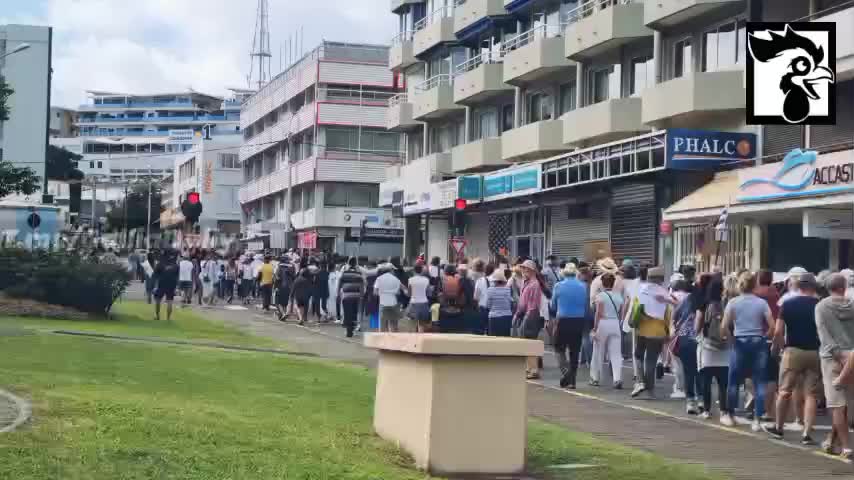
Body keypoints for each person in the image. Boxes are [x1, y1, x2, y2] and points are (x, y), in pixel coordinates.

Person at [762, 273, 821, 445]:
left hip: (792, 350)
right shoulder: (819, 305)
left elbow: (778, 331)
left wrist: (780, 348)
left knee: (785, 391)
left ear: (798, 286)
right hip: (814, 352)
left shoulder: (787, 304)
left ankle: (779, 428)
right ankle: (806, 433)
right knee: (811, 395)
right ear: (813, 287)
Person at [720, 271, 775, 432]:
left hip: (740, 341)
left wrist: (730, 339)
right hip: (758, 341)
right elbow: (772, 325)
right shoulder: (761, 303)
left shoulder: (733, 303)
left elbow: (723, 327)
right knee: (760, 382)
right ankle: (757, 419)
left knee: (733, 381)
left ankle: (730, 414)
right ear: (754, 285)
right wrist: (765, 338)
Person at [816, 273, 854, 459]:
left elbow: (824, 334)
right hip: (853, 357)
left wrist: (839, 355)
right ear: (844, 286)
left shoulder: (821, 306)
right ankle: (832, 439)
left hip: (831, 359)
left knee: (836, 404)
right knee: (848, 402)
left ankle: (846, 447)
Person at [629, 266, 671, 399]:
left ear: (648, 277)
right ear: (661, 279)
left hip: (642, 329)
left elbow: (635, 309)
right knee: (651, 360)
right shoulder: (665, 293)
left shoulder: (641, 291)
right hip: (658, 332)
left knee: (638, 355)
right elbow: (668, 314)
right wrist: (668, 332)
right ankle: (650, 391)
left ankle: (640, 381)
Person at [695, 275, 731, 423]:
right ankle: (724, 411)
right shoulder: (728, 304)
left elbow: (698, 324)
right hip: (725, 348)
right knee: (723, 383)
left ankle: (707, 411)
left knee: (706, 381)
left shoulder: (705, 304)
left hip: (708, 347)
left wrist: (697, 334)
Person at [550, 263, 588, 389]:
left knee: (558, 348)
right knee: (575, 351)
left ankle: (567, 374)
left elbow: (553, 306)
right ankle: (573, 381)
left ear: (564, 274)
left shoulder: (558, 286)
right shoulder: (583, 286)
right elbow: (586, 305)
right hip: (579, 320)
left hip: (563, 320)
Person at [671, 277, 703, 414]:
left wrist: (675, 329)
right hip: (699, 340)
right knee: (701, 372)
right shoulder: (705, 302)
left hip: (684, 339)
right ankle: (701, 399)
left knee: (689, 372)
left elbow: (674, 316)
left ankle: (690, 401)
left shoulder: (686, 300)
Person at [590, 272, 625, 389]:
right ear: (613, 283)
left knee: (598, 352)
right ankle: (617, 378)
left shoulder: (600, 296)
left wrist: (594, 328)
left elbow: (598, 313)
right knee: (616, 353)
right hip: (615, 323)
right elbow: (621, 313)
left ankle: (595, 378)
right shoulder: (619, 296)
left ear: (602, 283)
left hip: (603, 323)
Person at [515, 260, 546, 380]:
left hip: (531, 313)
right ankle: (530, 368)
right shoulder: (529, 283)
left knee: (528, 343)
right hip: (531, 313)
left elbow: (523, 303)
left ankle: (533, 369)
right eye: (522, 269)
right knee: (529, 342)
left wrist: (517, 314)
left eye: (525, 269)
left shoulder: (533, 284)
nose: (523, 271)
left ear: (532, 271)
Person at [375, 263, 409, 332]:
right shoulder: (396, 279)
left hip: (383, 303)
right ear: (391, 270)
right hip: (393, 304)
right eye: (394, 270)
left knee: (382, 325)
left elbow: (375, 292)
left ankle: (383, 340)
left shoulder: (379, 279)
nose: (394, 271)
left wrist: (383, 294)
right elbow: (405, 290)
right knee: (393, 324)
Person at [337, 257, 366, 337]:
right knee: (354, 313)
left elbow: (339, 284)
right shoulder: (359, 274)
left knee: (347, 313)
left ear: (348, 263)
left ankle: (348, 330)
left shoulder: (344, 273)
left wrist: (338, 294)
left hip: (346, 296)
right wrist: (361, 296)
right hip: (356, 297)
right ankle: (351, 330)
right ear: (356, 264)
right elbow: (362, 286)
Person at [485, 269, 514, 338]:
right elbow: (510, 303)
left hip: (494, 317)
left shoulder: (490, 290)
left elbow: (487, 305)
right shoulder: (508, 290)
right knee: (505, 338)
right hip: (507, 316)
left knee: (494, 339)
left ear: (495, 281)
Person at [152, 251, 179, 321]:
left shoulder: (160, 263)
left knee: (158, 300)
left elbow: (155, 275)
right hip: (171, 284)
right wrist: (176, 287)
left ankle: (157, 315)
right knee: (170, 301)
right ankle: (168, 318)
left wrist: (155, 286)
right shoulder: (175, 265)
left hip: (161, 283)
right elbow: (177, 276)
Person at [439, 265, 466, 333]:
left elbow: (439, 293)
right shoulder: (459, 279)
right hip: (458, 307)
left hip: (445, 307)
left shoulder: (442, 280)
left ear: (445, 271)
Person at [407, 264, 431, 333]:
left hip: (413, 303)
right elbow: (428, 293)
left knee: (413, 324)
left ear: (413, 271)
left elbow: (409, 294)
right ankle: (421, 339)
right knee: (421, 325)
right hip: (424, 303)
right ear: (422, 271)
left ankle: (413, 340)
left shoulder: (410, 280)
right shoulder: (426, 280)